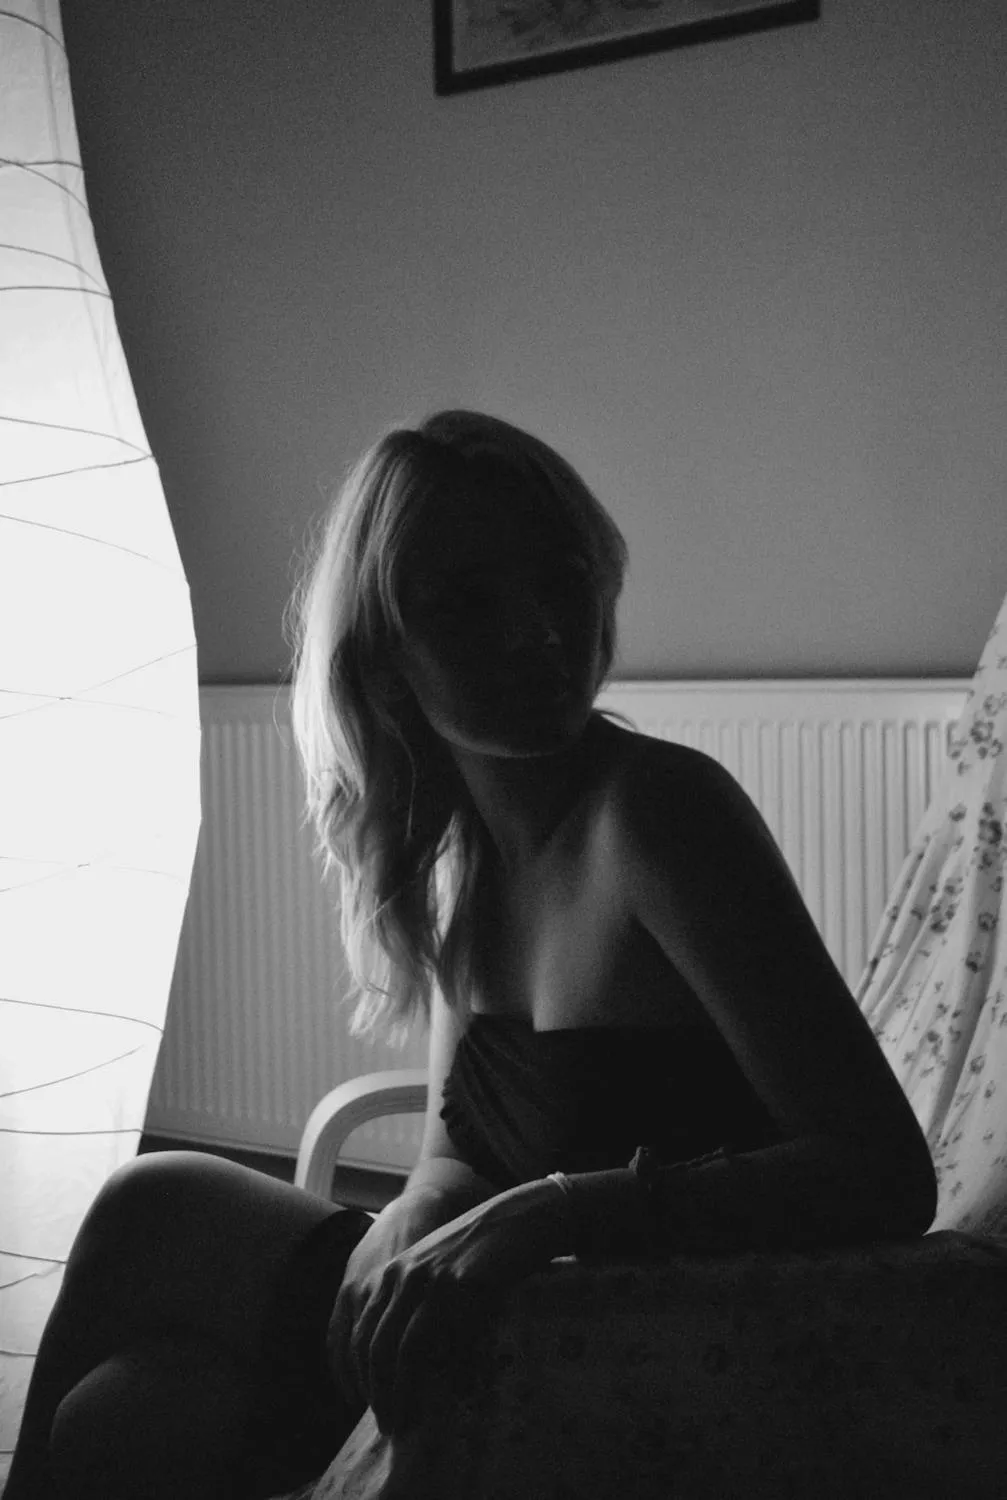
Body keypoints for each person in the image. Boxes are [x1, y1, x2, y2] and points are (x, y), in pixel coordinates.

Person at [5, 409, 938, 1500]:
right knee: (137, 1314)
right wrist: (417, 1207)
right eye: (470, 602)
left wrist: (551, 1209)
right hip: (482, 1298)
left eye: (564, 578)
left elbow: (882, 1174)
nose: (541, 629)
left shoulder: (659, 814)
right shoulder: (460, 856)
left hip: (605, 1329)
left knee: (142, 1406)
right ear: (386, 661)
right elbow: (461, 1138)